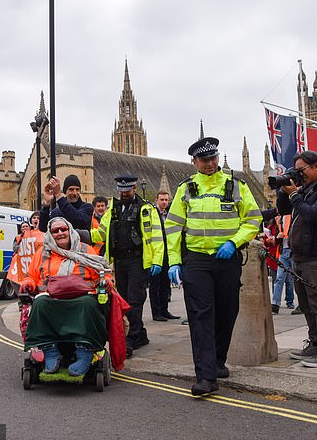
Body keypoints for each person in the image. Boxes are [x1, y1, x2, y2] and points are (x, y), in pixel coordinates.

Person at [166, 136, 261, 396]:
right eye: (204, 160)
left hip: (227, 259)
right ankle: (206, 377)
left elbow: (253, 220)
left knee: (227, 312)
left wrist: (234, 242)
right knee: (200, 316)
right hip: (196, 260)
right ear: (194, 162)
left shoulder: (235, 185)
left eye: (213, 158)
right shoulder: (185, 188)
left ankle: (218, 360)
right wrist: (174, 261)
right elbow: (173, 227)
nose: (209, 163)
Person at [20, 217, 118, 376]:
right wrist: (28, 284)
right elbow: (30, 275)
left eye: (63, 229)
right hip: (51, 296)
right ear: (50, 235)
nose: (60, 233)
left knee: (88, 303)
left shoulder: (86, 250)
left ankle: (85, 351)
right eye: (55, 231)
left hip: (83, 295)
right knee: (40, 303)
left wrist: (107, 282)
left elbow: (103, 273)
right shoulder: (42, 252)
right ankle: (50, 351)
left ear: (70, 230)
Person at [277, 150, 317, 368]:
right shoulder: (303, 189)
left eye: (302, 170)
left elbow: (313, 215)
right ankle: (314, 343)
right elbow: (283, 209)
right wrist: (284, 188)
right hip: (300, 256)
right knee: (305, 303)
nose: (299, 175)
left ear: (316, 167)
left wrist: (294, 195)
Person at [91, 175, 164, 357]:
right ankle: (140, 334)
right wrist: (82, 234)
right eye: (122, 191)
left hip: (138, 261)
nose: (124, 193)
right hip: (120, 261)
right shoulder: (113, 209)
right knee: (122, 300)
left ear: (135, 189)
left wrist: (157, 260)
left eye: (128, 190)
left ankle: (130, 339)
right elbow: (102, 232)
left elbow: (156, 236)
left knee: (134, 299)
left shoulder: (146, 208)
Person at [149, 190, 179, 321]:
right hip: (156, 254)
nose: (164, 202)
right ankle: (156, 312)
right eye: (162, 199)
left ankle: (164, 310)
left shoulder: (170, 215)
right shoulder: (152, 214)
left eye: (166, 200)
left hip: (168, 252)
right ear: (157, 200)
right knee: (155, 285)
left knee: (165, 283)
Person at [271, 214, 296, 313]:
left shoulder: (293, 215)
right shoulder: (280, 219)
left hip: (292, 250)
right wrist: (277, 237)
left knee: (295, 279)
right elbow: (278, 235)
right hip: (283, 251)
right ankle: (275, 303)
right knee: (279, 278)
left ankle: (293, 302)